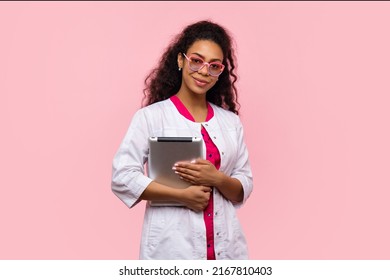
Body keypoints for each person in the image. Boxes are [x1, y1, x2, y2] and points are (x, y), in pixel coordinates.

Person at [111, 20, 253, 260]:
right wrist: (181, 195)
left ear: (220, 72)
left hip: (226, 249)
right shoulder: (151, 117)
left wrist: (216, 178)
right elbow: (123, 177)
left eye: (214, 66)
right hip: (171, 249)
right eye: (196, 61)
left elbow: (243, 184)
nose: (204, 71)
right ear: (181, 60)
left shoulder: (230, 122)